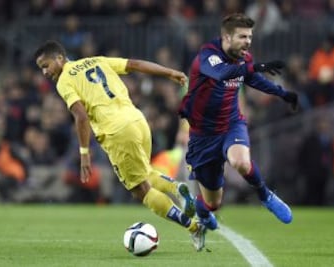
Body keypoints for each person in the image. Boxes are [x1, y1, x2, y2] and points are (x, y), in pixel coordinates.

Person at [34, 40, 205, 251]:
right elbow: (133, 64)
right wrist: (168, 72)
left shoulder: (64, 81)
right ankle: (176, 187)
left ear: (60, 58)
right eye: (41, 68)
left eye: (46, 65)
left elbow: (80, 117)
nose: (44, 72)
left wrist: (84, 153)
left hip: (117, 132)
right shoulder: (96, 60)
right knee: (144, 173)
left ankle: (193, 226)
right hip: (137, 119)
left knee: (140, 190)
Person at [179, 13, 297, 248]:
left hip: (232, 124)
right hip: (203, 136)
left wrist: (282, 93)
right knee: (213, 202)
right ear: (226, 37)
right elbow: (222, 73)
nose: (247, 42)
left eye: (250, 36)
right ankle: (202, 215)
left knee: (240, 161)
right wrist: (258, 66)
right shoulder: (207, 56)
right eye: (242, 36)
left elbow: (253, 79)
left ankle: (265, 195)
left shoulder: (245, 59)